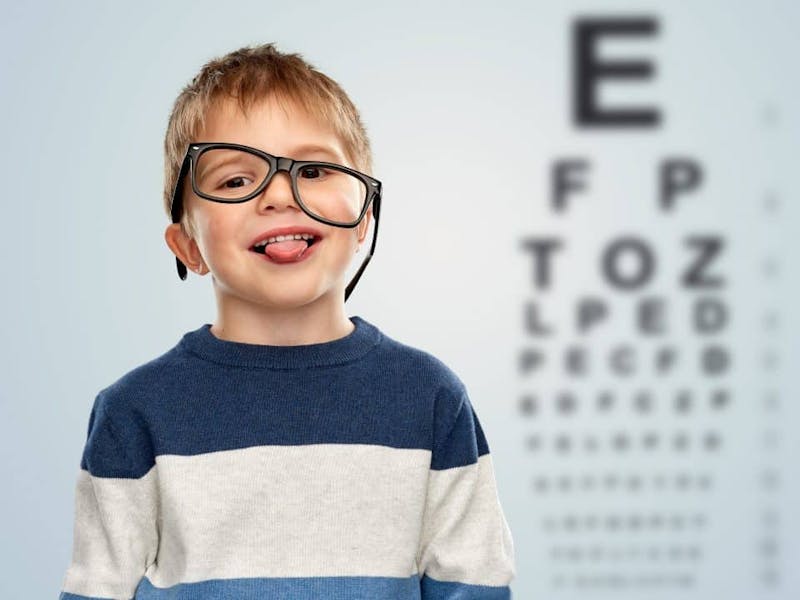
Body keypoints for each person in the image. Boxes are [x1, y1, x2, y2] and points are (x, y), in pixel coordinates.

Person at [58, 42, 515, 600]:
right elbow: (97, 589)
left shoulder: (431, 397)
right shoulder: (134, 410)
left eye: (315, 169)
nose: (278, 195)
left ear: (364, 216)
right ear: (188, 246)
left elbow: (474, 585)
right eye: (233, 180)